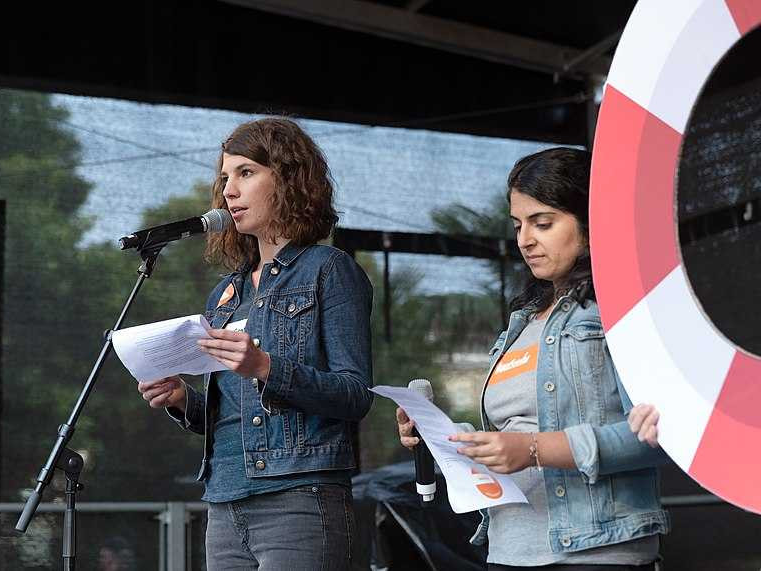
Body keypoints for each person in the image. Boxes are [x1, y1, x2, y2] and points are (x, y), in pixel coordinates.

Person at [397, 147, 669, 570]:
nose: (525, 239)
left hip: (598, 551)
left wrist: (535, 449)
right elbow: (513, 437)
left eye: (542, 223)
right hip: (509, 550)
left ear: (591, 221)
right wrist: (445, 439)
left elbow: (659, 435)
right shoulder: (520, 324)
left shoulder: (621, 312)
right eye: (518, 224)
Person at [137, 117, 374, 570]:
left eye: (246, 173)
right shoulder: (226, 293)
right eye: (225, 178)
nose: (228, 190)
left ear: (288, 178)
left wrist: (267, 367)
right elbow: (235, 412)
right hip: (224, 499)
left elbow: (355, 395)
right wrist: (184, 399)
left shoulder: (328, 269)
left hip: (298, 497)